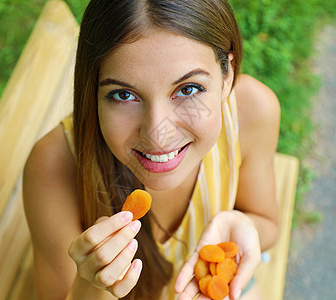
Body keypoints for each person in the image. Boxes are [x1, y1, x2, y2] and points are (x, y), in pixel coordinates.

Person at [23, 0, 280, 299]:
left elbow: (268, 224)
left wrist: (245, 227)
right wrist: (92, 285)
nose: (159, 134)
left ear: (227, 76)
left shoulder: (252, 112)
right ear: (91, 90)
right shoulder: (53, 164)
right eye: (123, 94)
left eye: (188, 89)